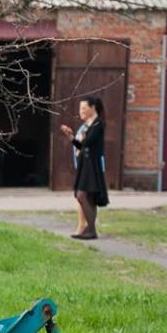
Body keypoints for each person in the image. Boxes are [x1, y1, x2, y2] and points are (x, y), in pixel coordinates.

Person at [60, 95, 108, 240]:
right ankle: (90, 230)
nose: (81, 111)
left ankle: (91, 229)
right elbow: (80, 145)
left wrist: (82, 137)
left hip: (92, 165)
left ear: (93, 107)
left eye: (83, 108)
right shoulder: (88, 125)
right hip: (84, 164)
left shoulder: (97, 124)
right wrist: (71, 137)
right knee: (87, 197)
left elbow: (88, 142)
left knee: (82, 195)